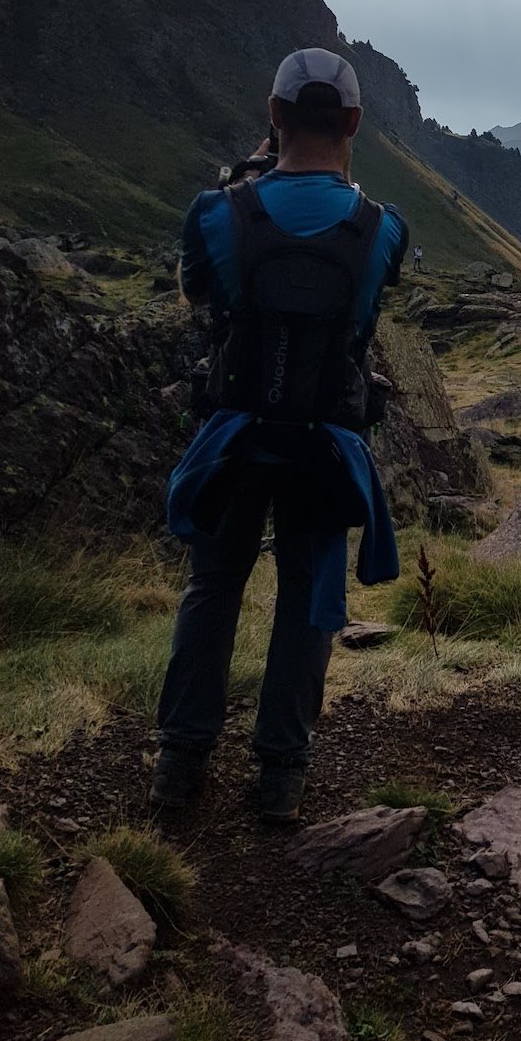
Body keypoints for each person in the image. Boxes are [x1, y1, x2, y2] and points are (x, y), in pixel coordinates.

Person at [152, 48, 408, 823]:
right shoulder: (383, 228)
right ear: (355, 122)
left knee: (213, 587)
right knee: (307, 598)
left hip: (234, 436)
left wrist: (245, 180)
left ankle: (179, 769)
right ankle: (280, 776)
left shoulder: (215, 212)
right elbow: (370, 306)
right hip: (325, 448)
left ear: (274, 115)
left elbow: (196, 289)